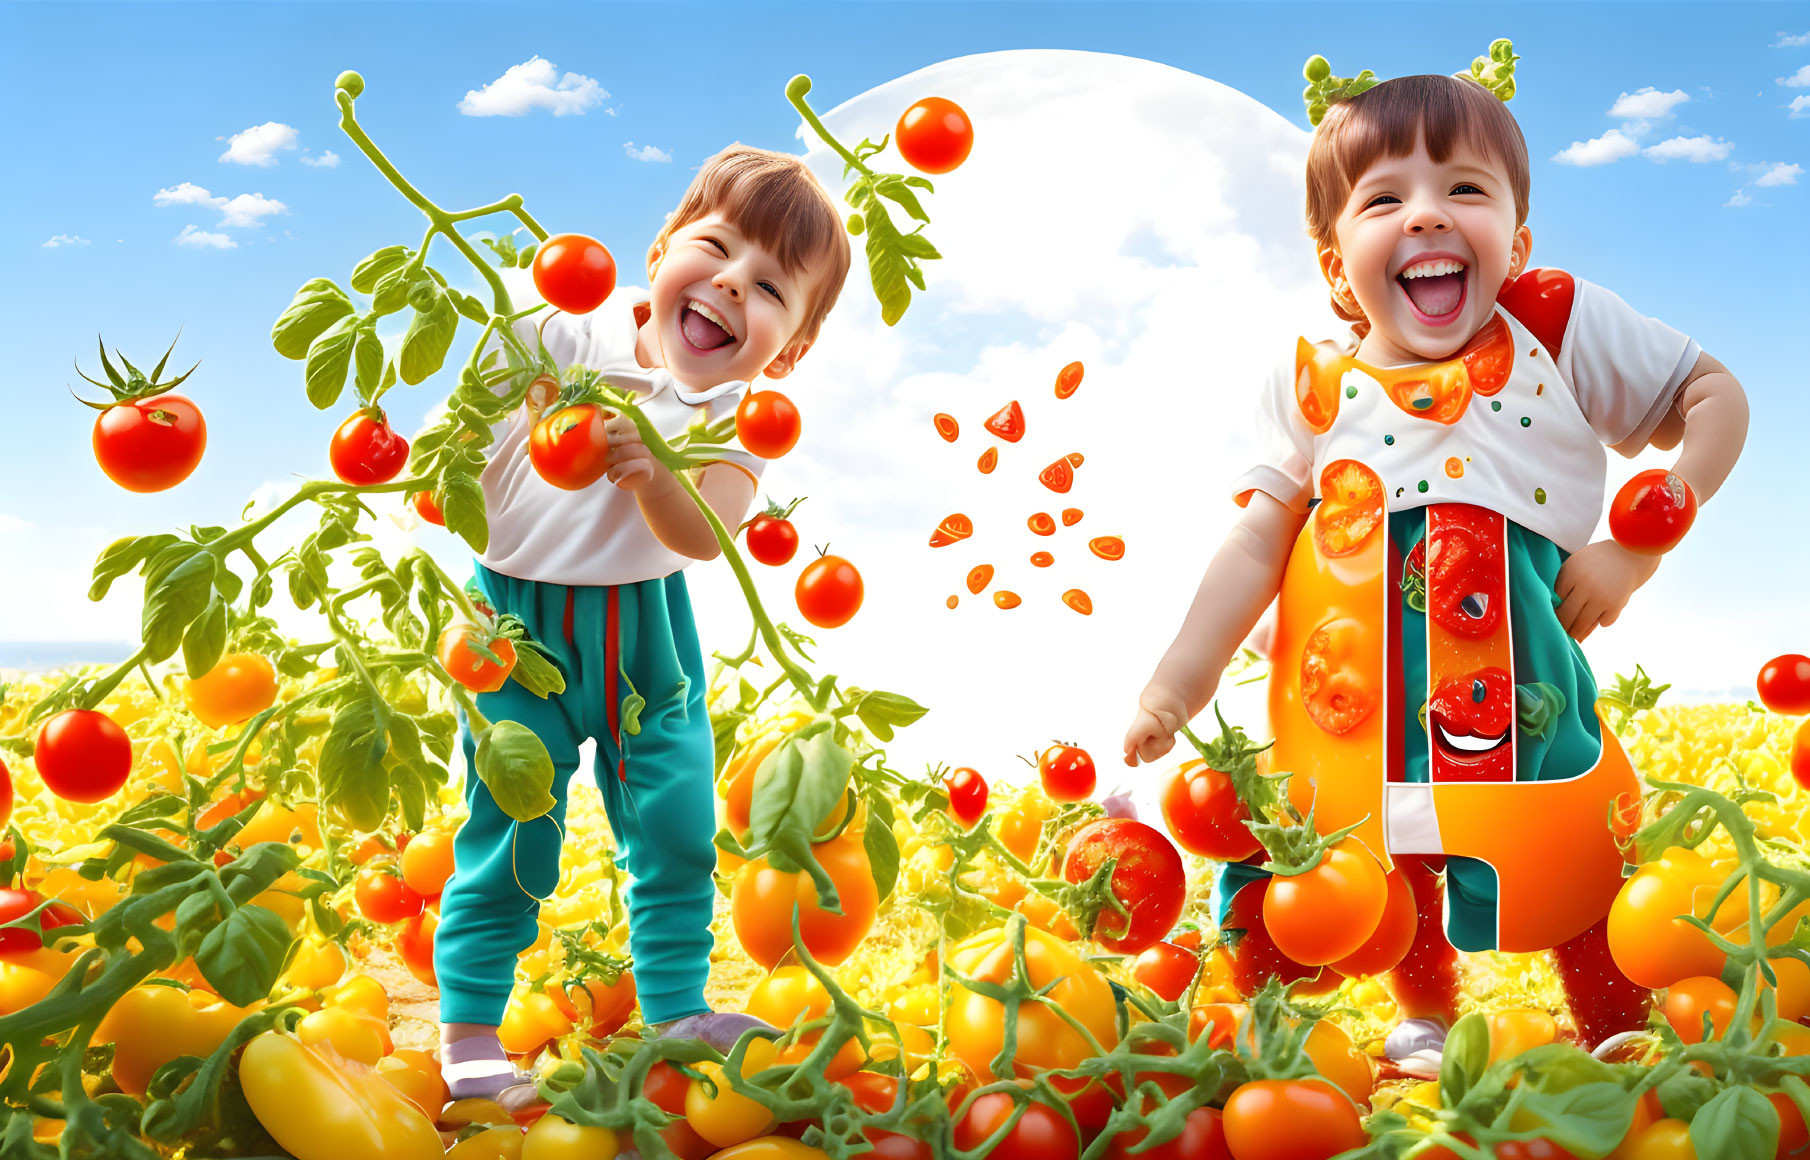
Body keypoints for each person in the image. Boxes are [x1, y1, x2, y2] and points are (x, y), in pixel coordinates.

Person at [1122, 70, 1748, 1053]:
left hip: (1522, 677)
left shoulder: (1554, 327)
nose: (1425, 215)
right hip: (1353, 694)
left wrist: (1635, 546)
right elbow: (1252, 539)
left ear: (1517, 241)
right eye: (1384, 197)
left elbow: (1711, 396)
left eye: (1463, 189)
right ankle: (1411, 1017)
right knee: (1376, 845)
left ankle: (1614, 1019)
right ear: (1335, 268)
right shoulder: (1308, 386)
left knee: (1571, 844)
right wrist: (1175, 682)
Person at [431, 145, 852, 1105]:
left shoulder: (748, 416)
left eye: (771, 288)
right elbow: (464, 426)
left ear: (786, 351)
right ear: (660, 253)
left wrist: (652, 470)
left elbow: (706, 536)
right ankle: (466, 1032)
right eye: (715, 248)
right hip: (511, 624)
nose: (732, 286)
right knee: (512, 826)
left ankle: (674, 1011)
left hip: (646, 633)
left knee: (672, 820)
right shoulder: (566, 335)